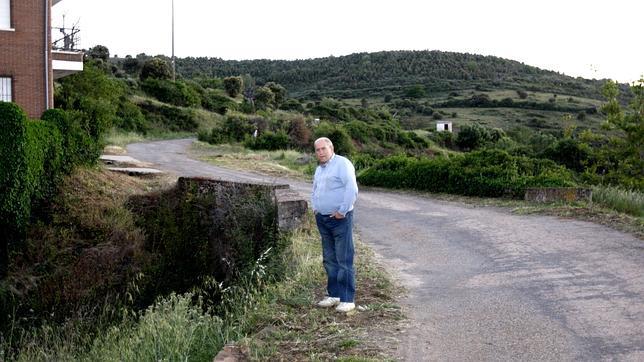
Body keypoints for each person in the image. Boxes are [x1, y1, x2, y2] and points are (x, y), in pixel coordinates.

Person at [311, 137, 359, 313]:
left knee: (344, 258)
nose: (321, 152)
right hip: (323, 219)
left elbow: (351, 188)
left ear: (331, 148)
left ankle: (347, 299)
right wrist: (316, 208)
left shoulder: (342, 164)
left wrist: (342, 211)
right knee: (329, 259)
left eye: (323, 149)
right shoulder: (319, 169)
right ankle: (334, 295)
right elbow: (315, 190)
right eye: (317, 150)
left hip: (340, 219)